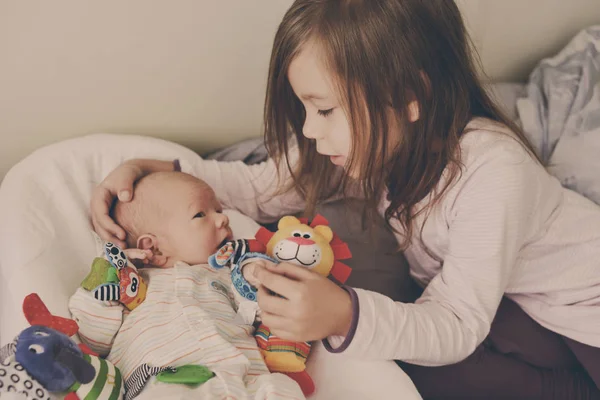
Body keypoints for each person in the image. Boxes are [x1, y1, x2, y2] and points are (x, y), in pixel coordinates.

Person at [90, 1, 600, 398]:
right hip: (511, 304)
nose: (310, 131)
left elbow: (457, 323)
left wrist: (345, 316)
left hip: (584, 317)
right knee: (410, 361)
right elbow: (260, 186)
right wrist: (151, 174)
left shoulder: (493, 171)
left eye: (325, 110)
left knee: (423, 362)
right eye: (306, 110)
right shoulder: (375, 145)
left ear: (408, 97)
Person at [70, 171, 305, 399]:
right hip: (163, 380)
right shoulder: (133, 286)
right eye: (201, 214)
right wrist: (110, 278)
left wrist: (257, 278)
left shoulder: (228, 276)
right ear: (154, 247)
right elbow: (93, 339)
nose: (223, 218)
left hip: (242, 380)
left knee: (283, 387)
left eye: (219, 210)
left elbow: (265, 313)